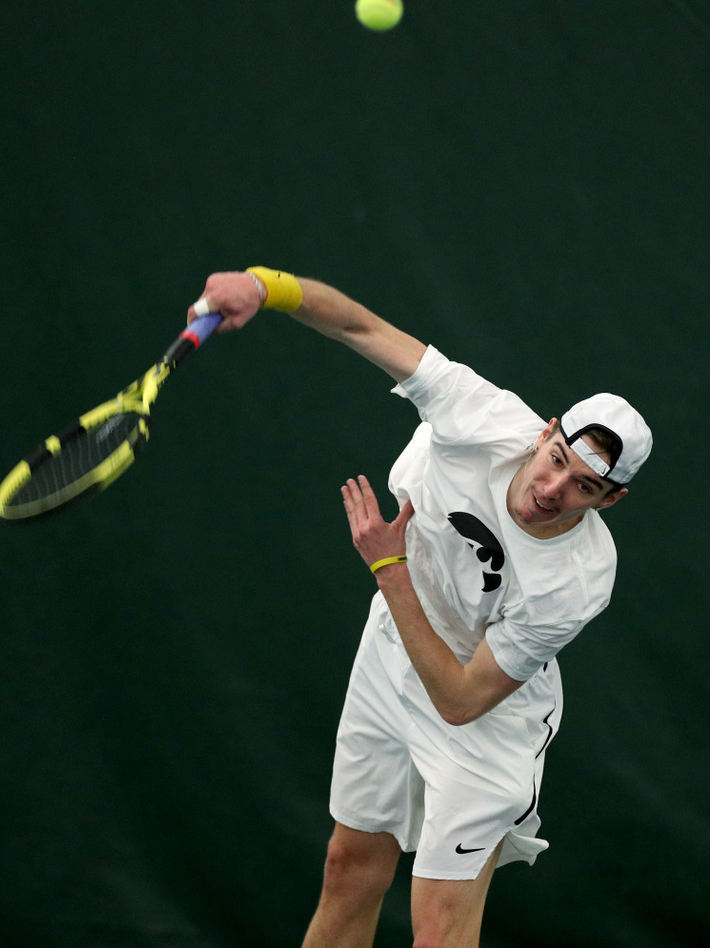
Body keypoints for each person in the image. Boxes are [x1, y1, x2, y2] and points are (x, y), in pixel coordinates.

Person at [187, 266, 653, 948]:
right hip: (392, 656)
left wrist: (388, 568)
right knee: (349, 868)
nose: (551, 489)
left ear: (610, 501)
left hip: (485, 718)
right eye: (555, 458)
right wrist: (264, 286)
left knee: (438, 932)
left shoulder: (578, 580)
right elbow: (359, 325)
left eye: (583, 487)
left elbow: (462, 700)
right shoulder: (481, 413)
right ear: (546, 431)